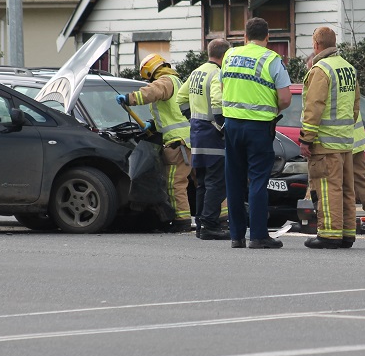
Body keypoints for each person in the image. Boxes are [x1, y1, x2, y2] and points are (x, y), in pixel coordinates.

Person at [220, 17, 292, 249]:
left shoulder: (229, 55)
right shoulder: (272, 59)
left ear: (245, 36)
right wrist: (272, 108)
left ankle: (236, 236)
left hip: (231, 125)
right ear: (267, 37)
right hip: (258, 127)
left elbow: (223, 88)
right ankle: (259, 236)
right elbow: (285, 98)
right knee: (258, 180)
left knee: (234, 180)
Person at [116, 53, 192, 232]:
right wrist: (153, 124)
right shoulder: (176, 81)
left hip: (177, 143)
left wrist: (129, 99)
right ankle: (218, 218)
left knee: (175, 184)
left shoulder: (165, 81)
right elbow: (170, 113)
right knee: (201, 183)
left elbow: (152, 92)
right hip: (187, 140)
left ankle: (182, 221)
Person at [299, 26, 359, 249]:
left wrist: (306, 138)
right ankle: (346, 232)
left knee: (327, 187)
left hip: (325, 142)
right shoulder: (348, 68)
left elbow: (314, 106)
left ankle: (329, 234)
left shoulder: (320, 70)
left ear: (316, 45)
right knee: (345, 188)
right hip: (345, 140)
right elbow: (355, 106)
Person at [176, 39, 231, 240]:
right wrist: (221, 126)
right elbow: (217, 103)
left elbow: (180, 98)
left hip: (197, 135)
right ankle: (209, 225)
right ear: (224, 56)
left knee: (203, 183)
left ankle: (201, 225)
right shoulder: (217, 73)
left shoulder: (196, 72)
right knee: (217, 182)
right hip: (212, 136)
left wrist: (192, 117)